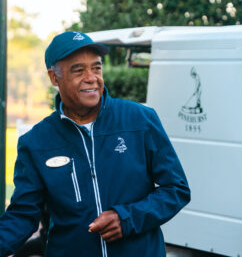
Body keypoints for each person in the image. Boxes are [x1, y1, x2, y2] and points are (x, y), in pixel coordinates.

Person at [0, 31, 190, 257]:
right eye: (78, 70)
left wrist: (127, 218)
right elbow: (23, 215)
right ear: (54, 78)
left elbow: (176, 189)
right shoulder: (36, 142)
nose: (91, 77)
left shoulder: (141, 120)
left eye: (96, 68)